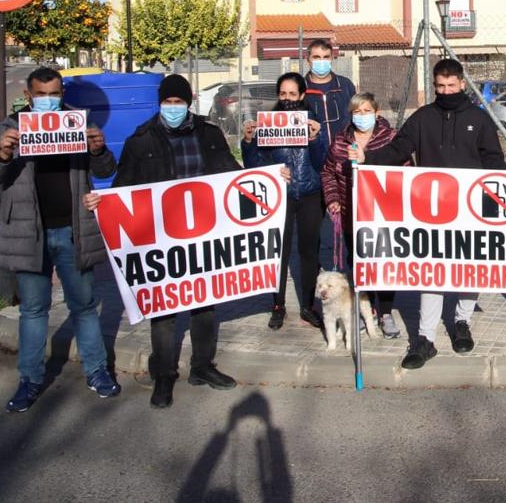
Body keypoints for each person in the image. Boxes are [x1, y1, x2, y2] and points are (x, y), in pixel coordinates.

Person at [0, 66, 121, 412]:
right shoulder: (9, 128)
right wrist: (3, 154)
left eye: (54, 93)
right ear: (28, 96)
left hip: (73, 232)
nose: (48, 100)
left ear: (62, 94)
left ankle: (97, 371)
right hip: (29, 234)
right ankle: (29, 379)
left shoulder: (77, 125)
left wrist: (99, 149)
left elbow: (105, 171)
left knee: (84, 306)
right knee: (33, 309)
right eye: (41, 95)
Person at [355, 59, 506, 369]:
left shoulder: (479, 120)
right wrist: (366, 157)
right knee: (432, 271)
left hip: (470, 207)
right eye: (440, 86)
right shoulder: (422, 118)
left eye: (452, 86)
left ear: (463, 84)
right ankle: (425, 339)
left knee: (470, 268)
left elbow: (493, 159)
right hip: (431, 209)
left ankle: (462, 321)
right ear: (435, 85)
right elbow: (398, 149)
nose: (446, 91)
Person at [103, 74, 241, 408]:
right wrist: (103, 202)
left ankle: (203, 367)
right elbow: (124, 186)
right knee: (163, 310)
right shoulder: (142, 140)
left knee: (205, 305)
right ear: (160, 103)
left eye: (179, 102)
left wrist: (269, 179)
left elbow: (231, 174)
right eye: (168, 102)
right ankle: (163, 376)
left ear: (188, 102)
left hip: (204, 235)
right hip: (161, 240)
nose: (173, 108)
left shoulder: (208, 134)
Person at [241, 73, 327, 331]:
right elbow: (253, 164)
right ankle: (277, 305)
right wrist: (248, 142)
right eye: (282, 94)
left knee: (309, 252)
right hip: (281, 195)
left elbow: (322, 162)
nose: (287, 99)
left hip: (310, 193)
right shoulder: (267, 123)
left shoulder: (313, 123)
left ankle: (308, 306)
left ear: (302, 95)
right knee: (278, 252)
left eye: (292, 94)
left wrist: (316, 138)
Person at [320, 92, 404, 339]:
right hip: (350, 214)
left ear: (377, 113)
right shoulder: (340, 141)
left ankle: (385, 313)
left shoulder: (390, 138)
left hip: (382, 215)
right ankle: (360, 310)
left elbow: (405, 170)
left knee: (383, 264)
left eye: (367, 111)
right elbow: (328, 172)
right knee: (356, 264)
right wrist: (333, 198)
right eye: (357, 112)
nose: (362, 116)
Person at [303, 39, 358, 146]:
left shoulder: (345, 85)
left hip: (342, 153)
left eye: (326, 57)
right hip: (313, 153)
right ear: (307, 60)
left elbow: (357, 115)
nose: (321, 61)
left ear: (332, 59)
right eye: (316, 57)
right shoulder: (299, 89)